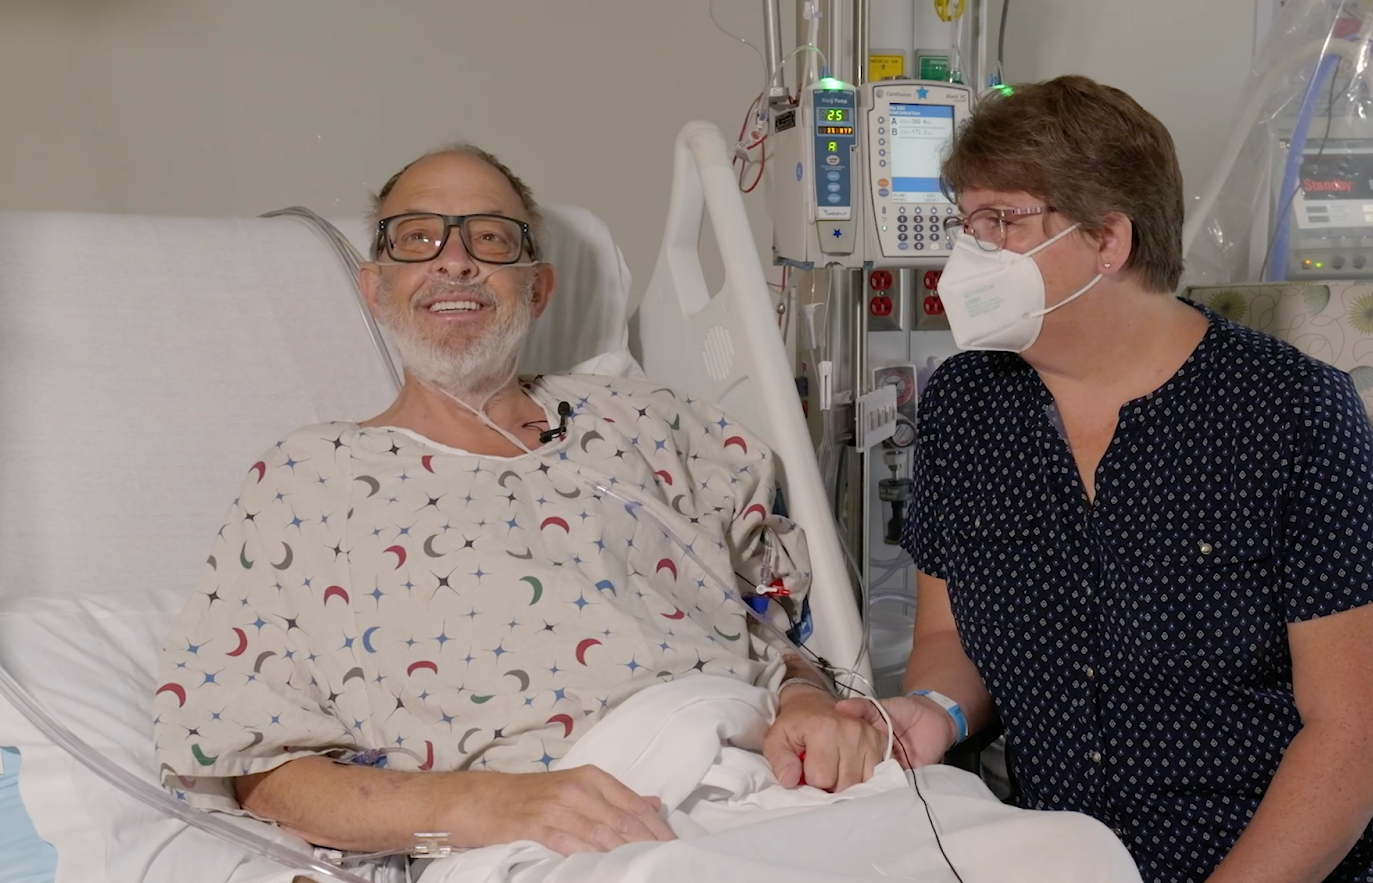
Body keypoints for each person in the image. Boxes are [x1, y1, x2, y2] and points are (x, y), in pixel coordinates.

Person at [830, 76, 1373, 883]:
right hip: (1087, 860)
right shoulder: (969, 403)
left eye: (1000, 221)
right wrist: (933, 711)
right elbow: (946, 636)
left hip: (1351, 860)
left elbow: (1363, 733)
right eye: (967, 222)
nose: (968, 252)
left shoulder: (1292, 413)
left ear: (1108, 240)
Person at [150, 144, 885, 858]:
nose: (455, 258)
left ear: (538, 288)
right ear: (374, 288)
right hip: (563, 841)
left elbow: (776, 621)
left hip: (776, 778)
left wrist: (808, 702)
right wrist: (487, 804)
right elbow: (258, 773)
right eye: (418, 238)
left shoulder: (652, 423)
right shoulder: (309, 479)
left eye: (492, 238)